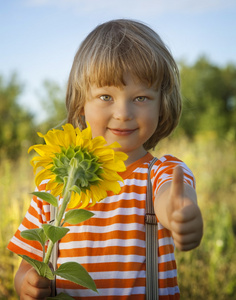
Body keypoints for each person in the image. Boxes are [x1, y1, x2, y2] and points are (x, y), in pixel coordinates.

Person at [8, 19, 203, 299]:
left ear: (162, 104)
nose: (123, 112)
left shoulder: (161, 173)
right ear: (81, 103)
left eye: (141, 98)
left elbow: (171, 197)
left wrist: (180, 211)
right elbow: (27, 268)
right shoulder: (53, 187)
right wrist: (27, 285)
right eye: (105, 96)